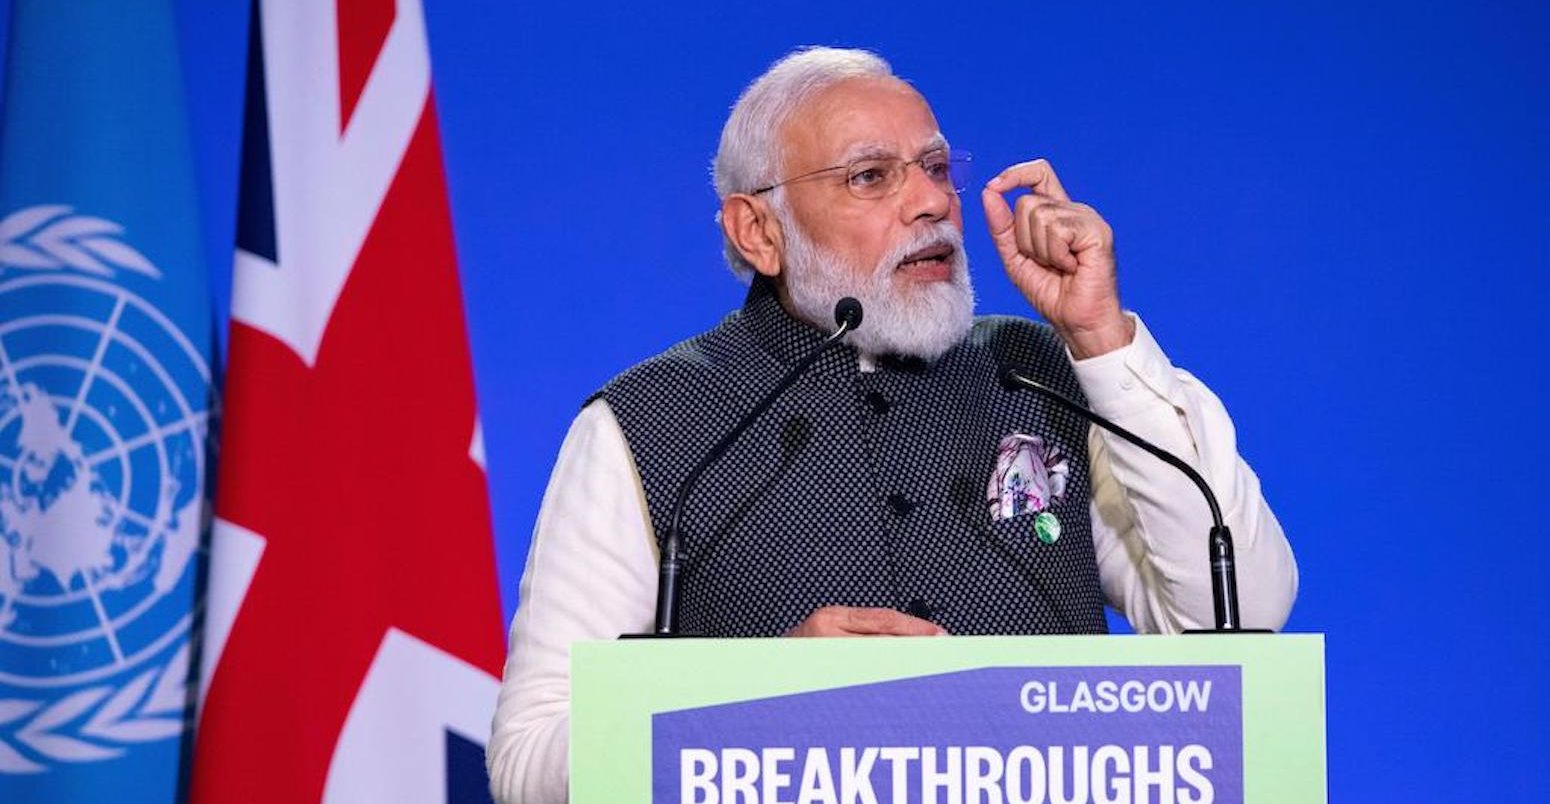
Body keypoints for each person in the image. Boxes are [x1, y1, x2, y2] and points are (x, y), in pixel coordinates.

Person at [486, 46, 1297, 804]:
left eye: (936, 168)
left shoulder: (1043, 375)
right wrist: (753, 701)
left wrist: (1100, 340)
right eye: (871, 177)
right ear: (757, 231)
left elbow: (1239, 623)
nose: (932, 202)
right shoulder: (648, 424)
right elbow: (528, 761)